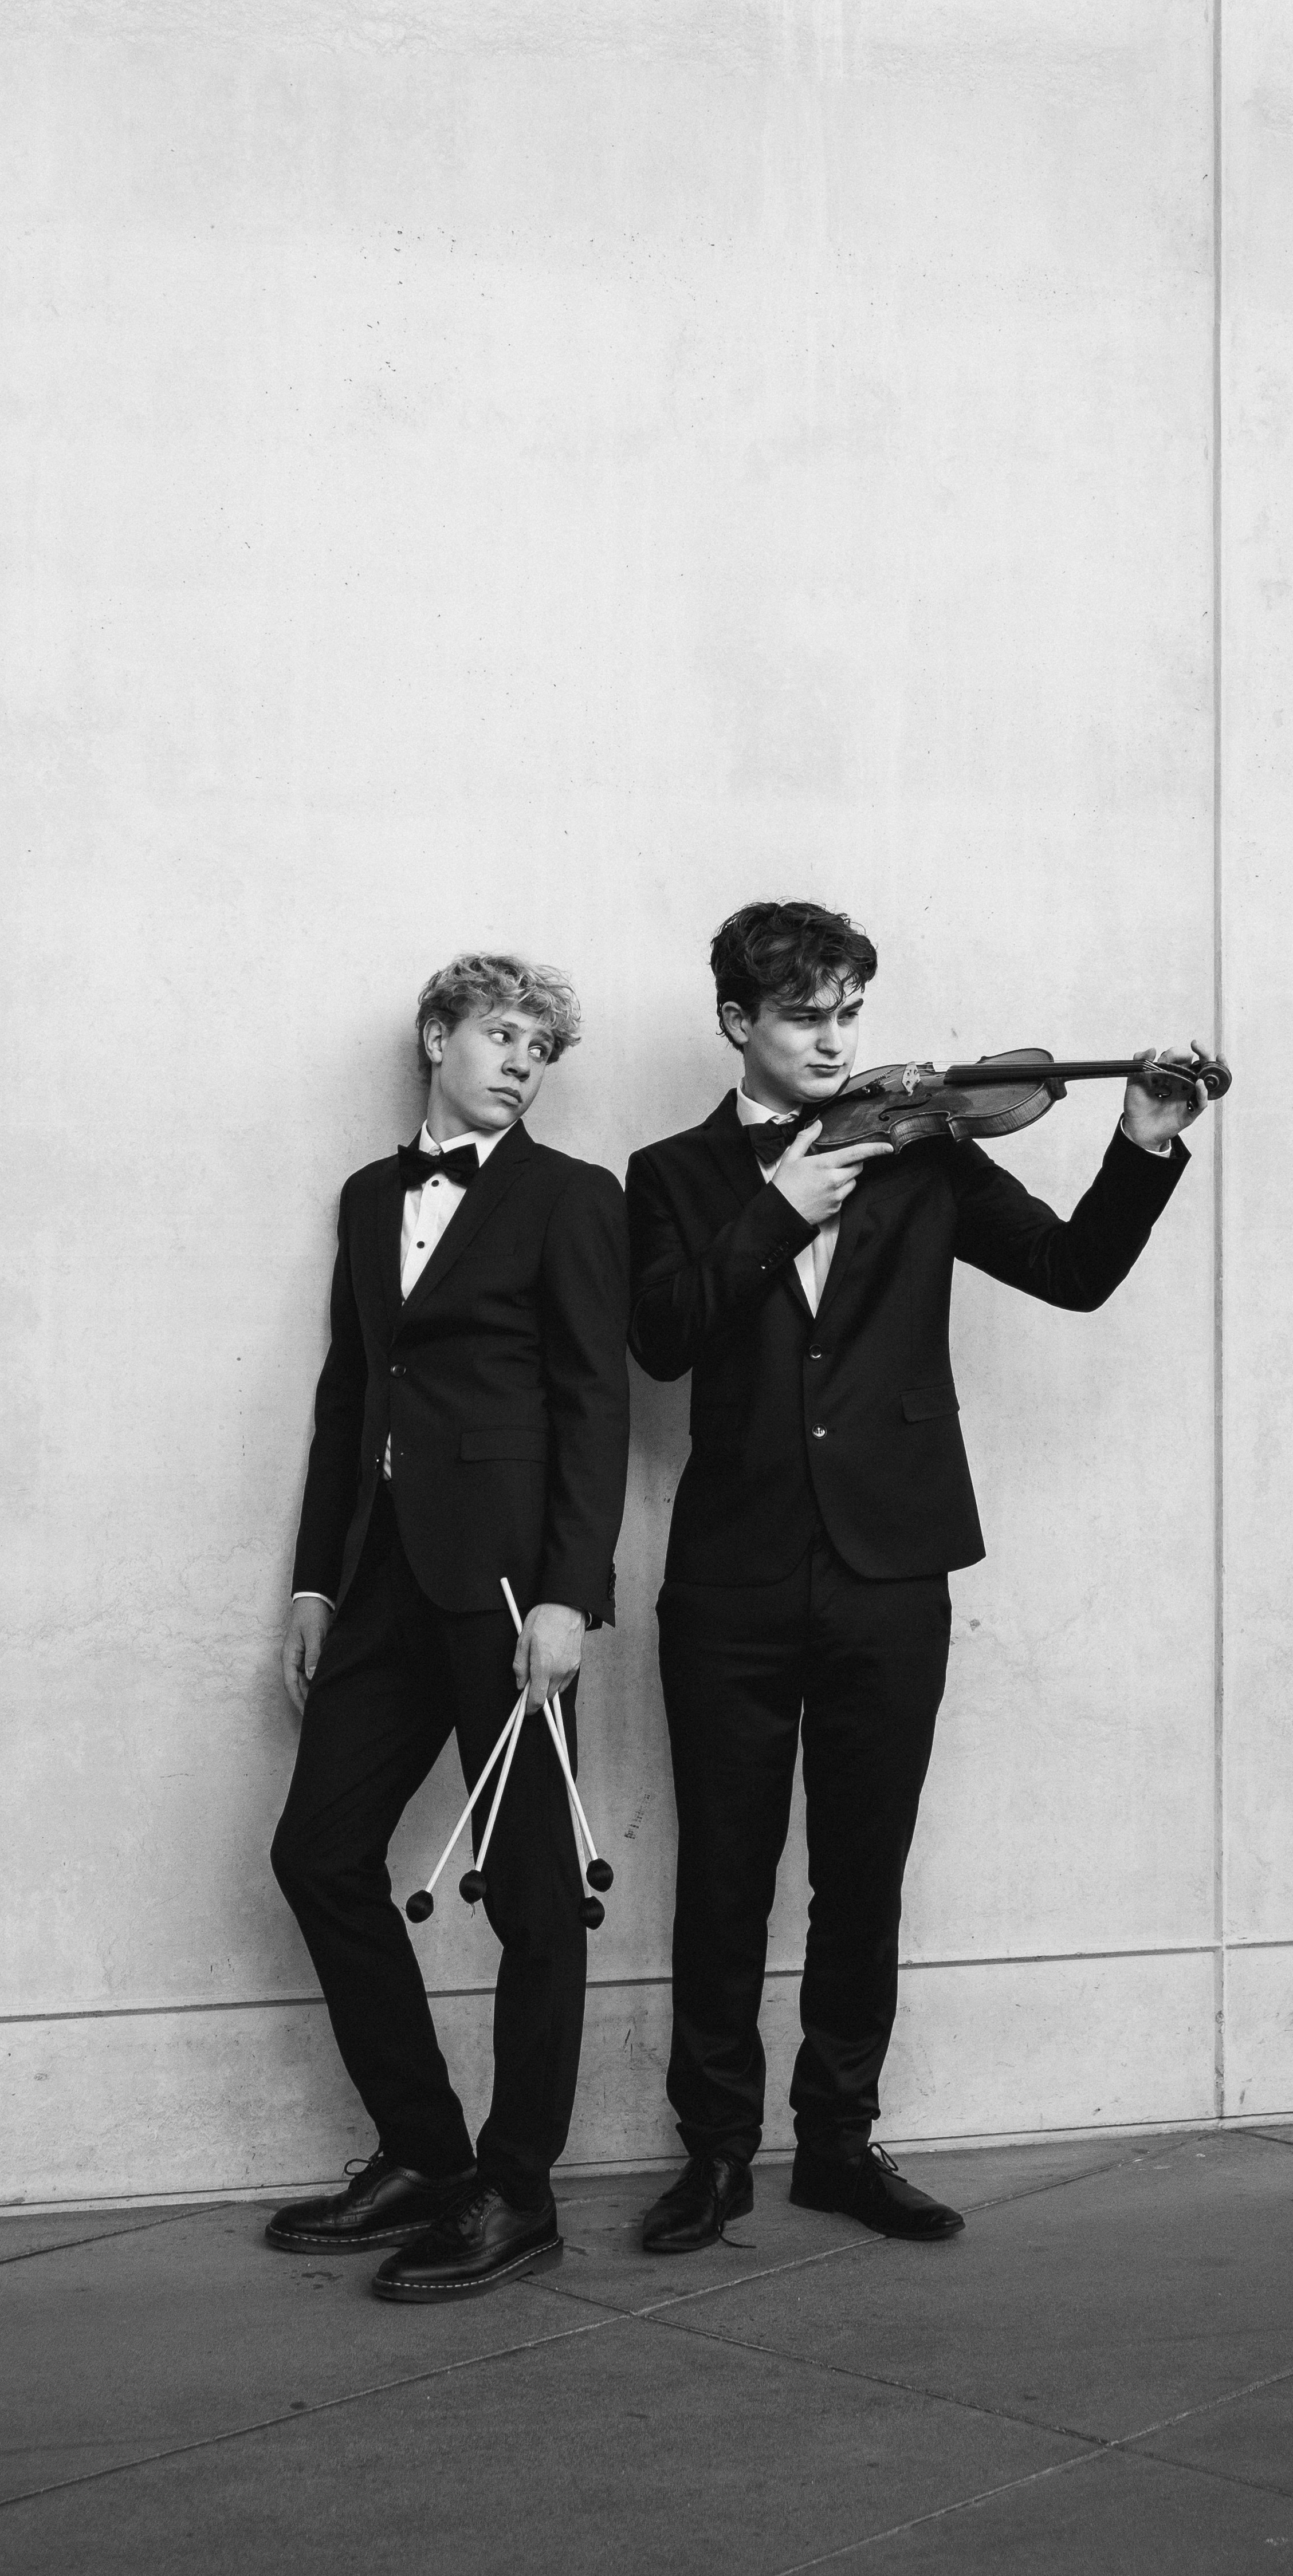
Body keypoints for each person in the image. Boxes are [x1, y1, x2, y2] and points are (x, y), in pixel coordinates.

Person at [625, 900, 1211, 2253]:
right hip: (732, 1577)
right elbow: (661, 1338)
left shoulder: (924, 1155)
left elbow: (1073, 1272)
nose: (836, 1045)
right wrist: (773, 1209)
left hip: (893, 1569)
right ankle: (712, 2154)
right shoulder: (668, 1173)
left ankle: (837, 2142)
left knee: (864, 1874)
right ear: (738, 1024)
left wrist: (1144, 1141)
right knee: (722, 1875)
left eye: (848, 1016)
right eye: (803, 1018)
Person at [266, 954, 628, 2301]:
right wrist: (314, 1582)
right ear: (439, 1035)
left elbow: (599, 1407)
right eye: (501, 1033)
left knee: (535, 1894)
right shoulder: (370, 1196)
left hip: (506, 1603)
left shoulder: (571, 1199)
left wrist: (565, 1595)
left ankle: (517, 2189)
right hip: (378, 1590)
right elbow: (350, 1393)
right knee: (317, 1853)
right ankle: (423, 2152)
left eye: (543, 1046)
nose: (523, 1060)